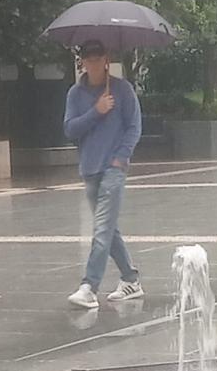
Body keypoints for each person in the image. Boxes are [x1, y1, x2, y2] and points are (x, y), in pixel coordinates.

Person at [64, 39, 144, 309]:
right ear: (83, 62)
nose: (94, 63)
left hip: (113, 169)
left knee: (100, 228)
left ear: (106, 60)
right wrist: (96, 112)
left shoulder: (122, 90)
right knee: (109, 229)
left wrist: (121, 159)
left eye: (98, 58)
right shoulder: (75, 94)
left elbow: (134, 127)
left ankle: (89, 286)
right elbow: (70, 130)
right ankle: (130, 279)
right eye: (89, 58)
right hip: (89, 168)